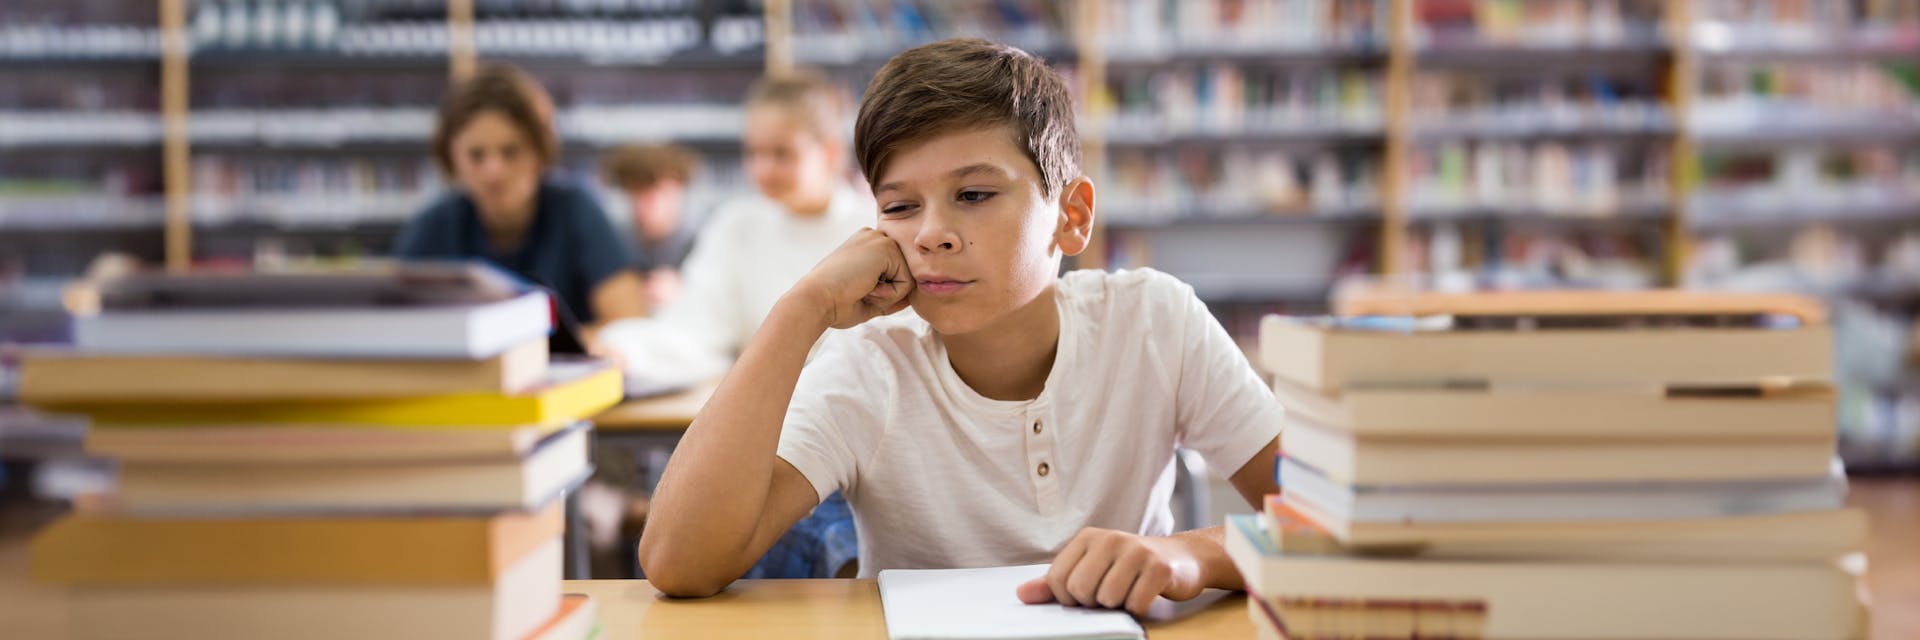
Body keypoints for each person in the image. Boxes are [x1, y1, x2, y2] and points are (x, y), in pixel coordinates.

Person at [636, 39, 1283, 616]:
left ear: (1072, 216)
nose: (931, 234)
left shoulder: (1155, 322)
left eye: (973, 195)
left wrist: (1192, 556)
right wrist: (800, 310)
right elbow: (677, 563)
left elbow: (1338, 523)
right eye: (899, 206)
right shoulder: (869, 366)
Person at [596, 69, 872, 382]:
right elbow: (695, 327)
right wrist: (625, 349)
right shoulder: (737, 226)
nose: (763, 169)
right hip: (769, 411)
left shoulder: (873, 228)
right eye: (754, 153)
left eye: (782, 154)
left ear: (829, 152)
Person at [394, 63, 646, 334]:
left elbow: (629, 325)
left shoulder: (576, 210)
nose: (493, 172)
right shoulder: (432, 227)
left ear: (539, 152)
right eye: (476, 155)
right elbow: (397, 327)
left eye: (511, 152)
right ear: (451, 157)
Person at [599, 143, 700, 310]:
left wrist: (686, 291)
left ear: (679, 187)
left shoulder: (704, 242)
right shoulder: (614, 242)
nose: (647, 201)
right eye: (637, 191)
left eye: (657, 190)